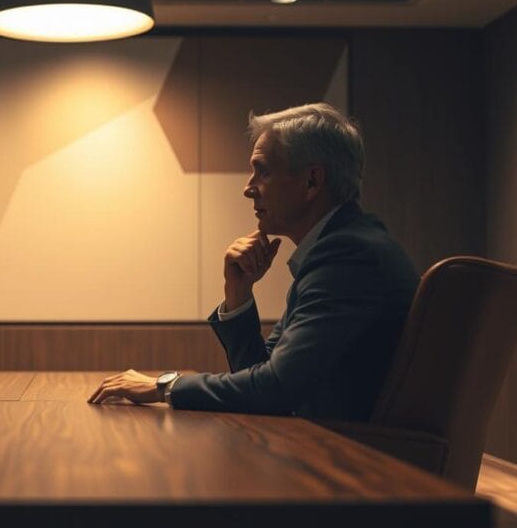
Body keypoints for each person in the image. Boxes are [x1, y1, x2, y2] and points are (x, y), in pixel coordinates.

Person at [89, 103, 418, 421]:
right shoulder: (342, 246)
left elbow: (274, 390)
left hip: (351, 463)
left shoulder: (348, 256)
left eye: (263, 171)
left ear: (312, 182)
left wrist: (164, 386)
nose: (249, 189)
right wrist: (239, 294)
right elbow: (261, 378)